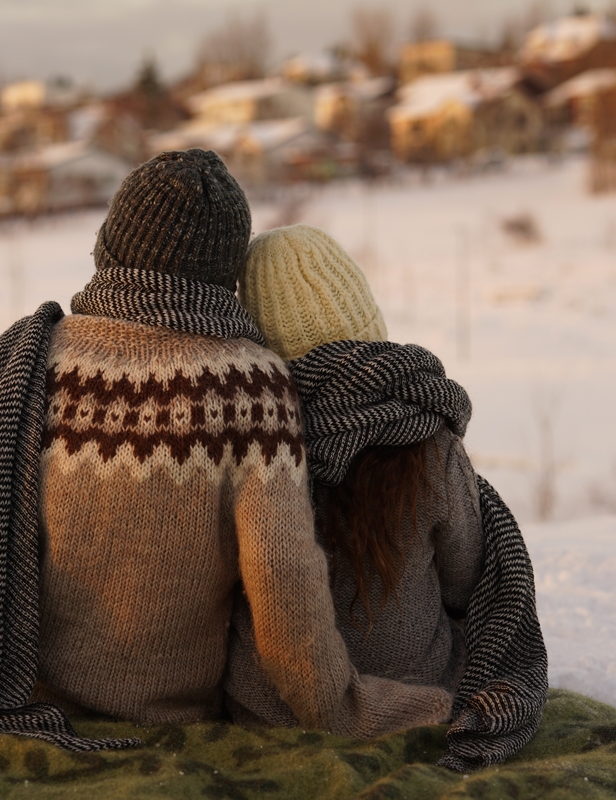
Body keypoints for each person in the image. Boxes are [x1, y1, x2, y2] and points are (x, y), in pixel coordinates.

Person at [0, 150, 450, 749]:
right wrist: (362, 710)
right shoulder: (252, 388)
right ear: (223, 274)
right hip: (162, 723)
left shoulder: (31, 360)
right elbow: (284, 602)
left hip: (17, 693)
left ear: (110, 246)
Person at [228, 224, 549, 770]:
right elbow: (467, 580)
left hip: (266, 709)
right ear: (364, 319)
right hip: (418, 698)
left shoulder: (242, 435)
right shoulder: (426, 440)